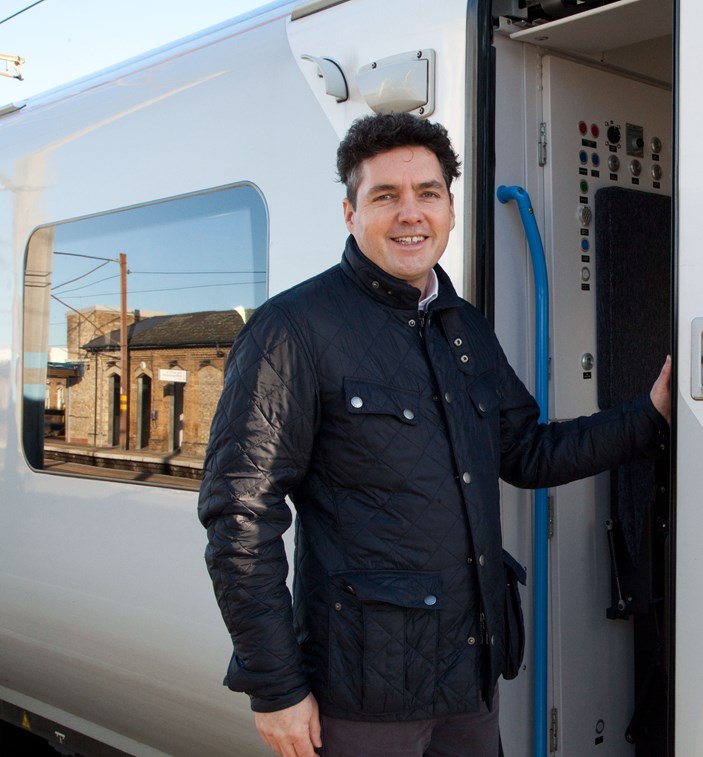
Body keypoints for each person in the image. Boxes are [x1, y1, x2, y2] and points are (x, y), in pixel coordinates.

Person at [198, 112, 671, 757]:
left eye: (427, 193)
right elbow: (240, 515)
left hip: (469, 678)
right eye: (385, 196)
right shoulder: (293, 330)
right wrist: (276, 687)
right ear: (350, 213)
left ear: (451, 207)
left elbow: (526, 451)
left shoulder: (464, 328)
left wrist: (648, 417)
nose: (410, 214)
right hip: (363, 691)